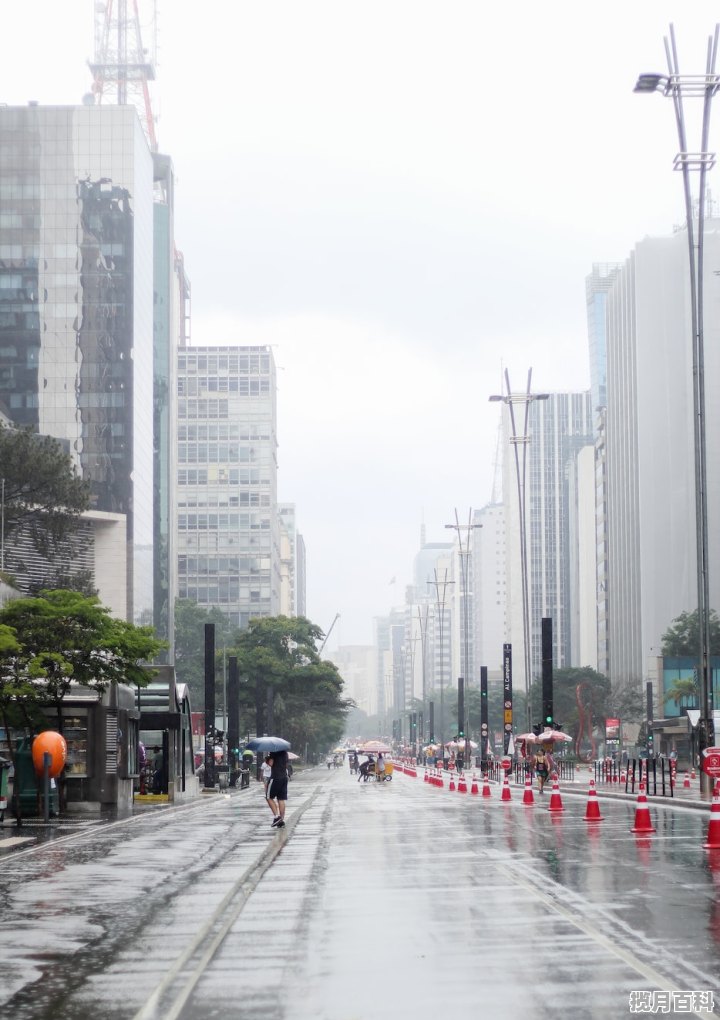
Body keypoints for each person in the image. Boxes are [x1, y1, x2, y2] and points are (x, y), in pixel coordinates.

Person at [267, 749, 290, 828]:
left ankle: (277, 817)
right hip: (284, 777)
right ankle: (281, 819)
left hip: (275, 778)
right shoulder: (285, 753)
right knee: (281, 799)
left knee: (269, 797)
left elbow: (270, 763)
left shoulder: (273, 752)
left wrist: (268, 759)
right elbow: (286, 765)